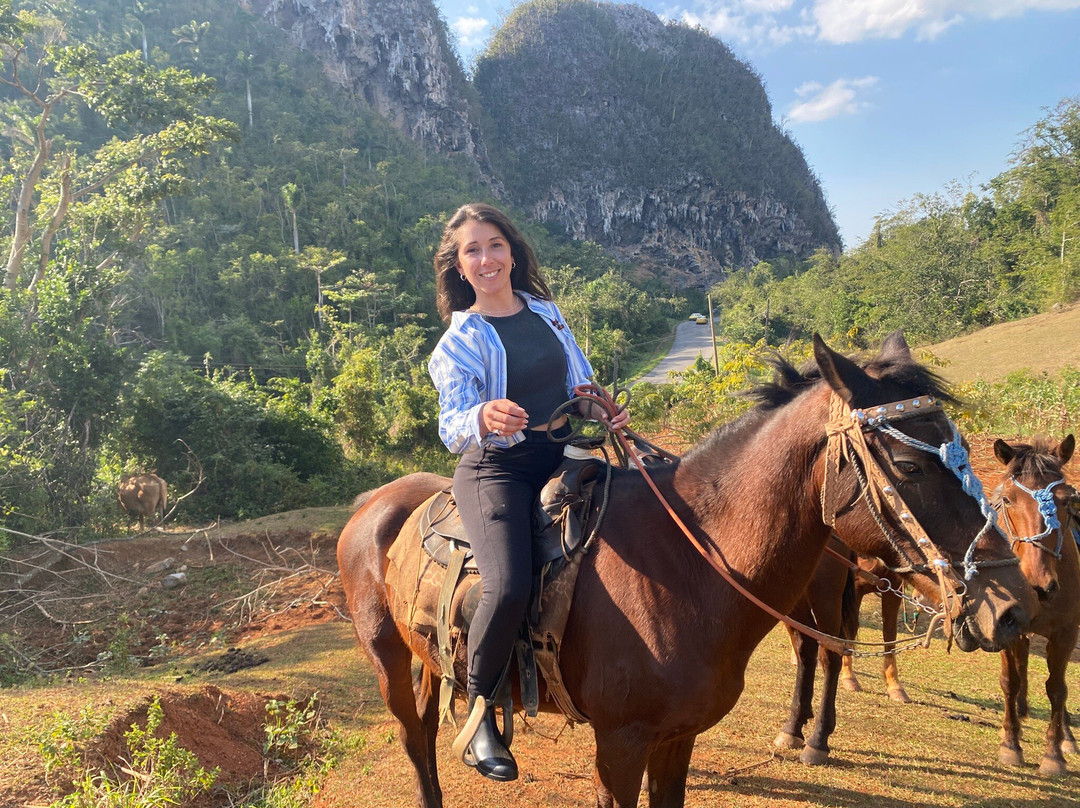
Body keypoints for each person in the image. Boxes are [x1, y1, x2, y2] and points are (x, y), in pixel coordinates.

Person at [428, 202, 629, 781]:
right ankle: (479, 712)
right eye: (472, 251)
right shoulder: (460, 339)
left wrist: (599, 406)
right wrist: (484, 415)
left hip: (568, 453)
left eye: (494, 245)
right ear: (459, 267)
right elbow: (450, 426)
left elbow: (580, 380)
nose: (486, 258)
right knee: (509, 583)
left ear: (512, 251)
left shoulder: (547, 312)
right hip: (500, 467)